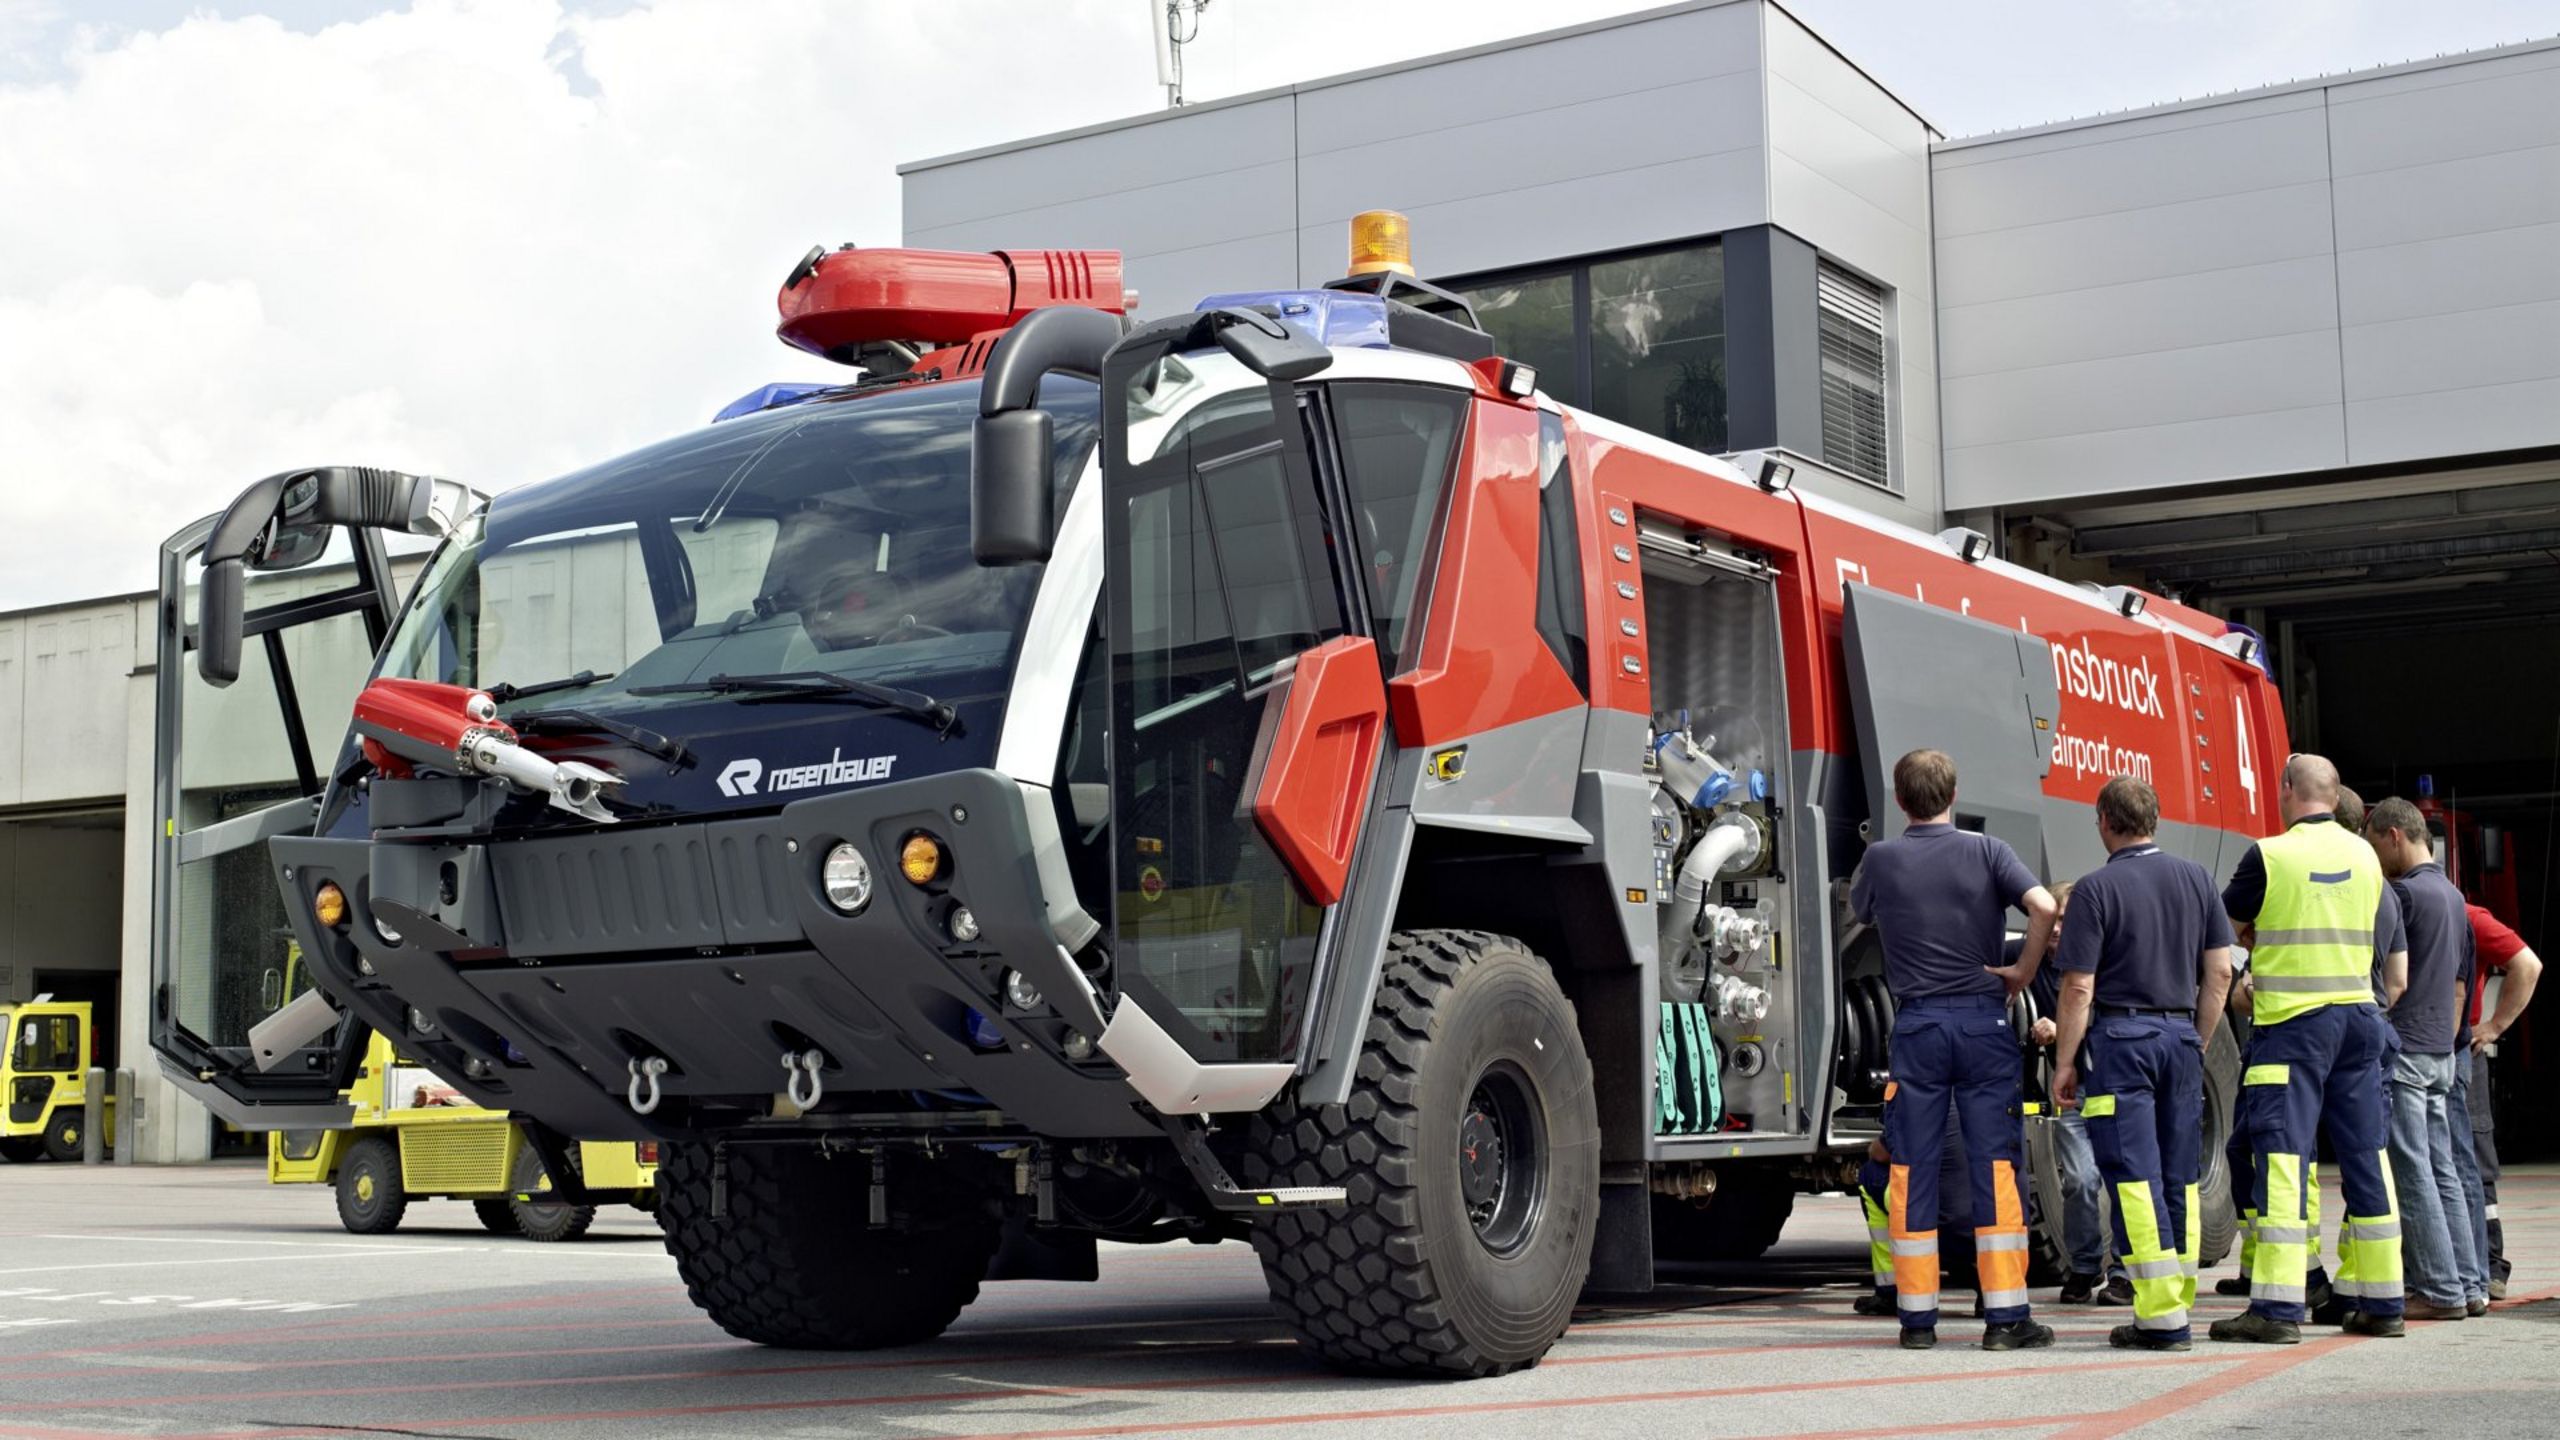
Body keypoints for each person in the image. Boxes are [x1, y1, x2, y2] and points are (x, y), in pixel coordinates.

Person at [1849, 749, 2060, 1351]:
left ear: (1898, 800)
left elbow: (1859, 914)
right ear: (1954, 794)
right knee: (1994, 1164)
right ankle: (2005, 1318)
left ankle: (1917, 1321)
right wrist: (2021, 970)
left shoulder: (1882, 859)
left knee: (1911, 1163)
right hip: (1982, 1022)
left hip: (1916, 1025)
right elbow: (2044, 906)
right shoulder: (1988, 852)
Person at [2212, 754, 2408, 1344]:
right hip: (2358, 1020)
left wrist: (2256, 944)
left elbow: (2228, 918)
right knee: (2366, 1156)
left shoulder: (2270, 854)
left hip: (2294, 1025)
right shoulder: (2366, 858)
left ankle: (2275, 1309)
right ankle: (2383, 1303)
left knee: (2281, 1160)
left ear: (2288, 791)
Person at [2047, 776, 2235, 1351]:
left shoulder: (2097, 891)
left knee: (2134, 1176)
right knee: (2179, 1175)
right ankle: (2175, 1300)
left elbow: (2078, 987)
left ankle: (2159, 1319)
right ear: (2154, 818)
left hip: (2121, 1040)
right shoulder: (2197, 879)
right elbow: (2221, 973)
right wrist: (2195, 1038)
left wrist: (2065, 1062)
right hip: (2180, 1037)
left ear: (2105, 819)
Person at [2363, 798, 2477, 1321]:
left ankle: (2437, 1289)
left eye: (2373, 843)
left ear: (2393, 836)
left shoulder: (2401, 896)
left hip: (2407, 1047)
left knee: (2413, 1172)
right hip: (2441, 1050)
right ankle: (2467, 1282)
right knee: (2444, 1169)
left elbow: (2392, 976)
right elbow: (2458, 983)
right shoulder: (2454, 897)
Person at [2025, 883, 2130, 1306]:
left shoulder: (2098, 964)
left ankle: (2124, 1268)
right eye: (2054, 919)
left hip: (2105, 1082)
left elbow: (2092, 1006)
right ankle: (2086, 1265)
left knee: (2125, 1179)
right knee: (2081, 1180)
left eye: (2067, 920)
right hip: (2069, 1091)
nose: (2057, 929)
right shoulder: (2032, 968)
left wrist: (2061, 1031)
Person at [2462, 904, 2541, 1301]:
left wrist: (2494, 1026)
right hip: (2441, 1050)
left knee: (2475, 1162)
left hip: (2460, 1050)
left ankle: (2491, 1263)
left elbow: (2527, 965)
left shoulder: (2468, 916)